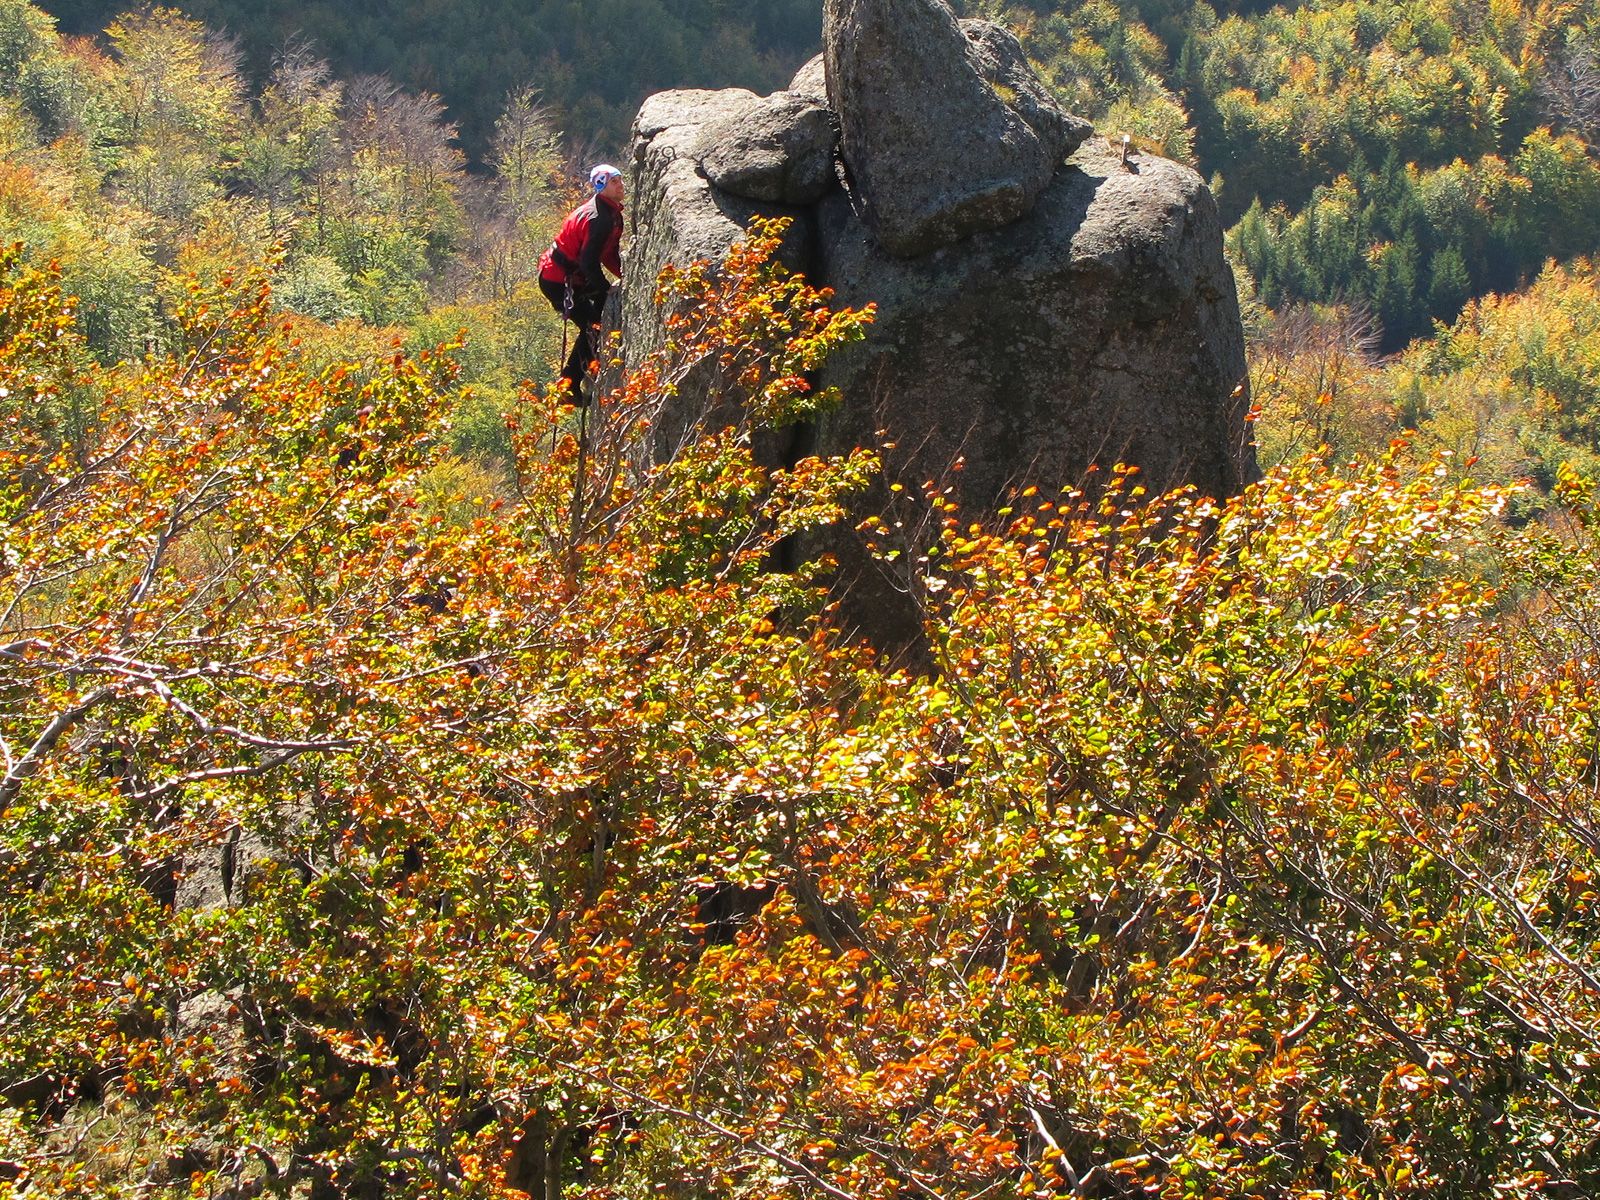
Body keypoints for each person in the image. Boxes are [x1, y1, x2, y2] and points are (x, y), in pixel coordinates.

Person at [539, 163, 625, 404]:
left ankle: (586, 369)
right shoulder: (599, 218)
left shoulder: (609, 213)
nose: (620, 185)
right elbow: (589, 263)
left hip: (571, 277)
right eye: (614, 182)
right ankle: (569, 385)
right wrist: (607, 291)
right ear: (601, 187)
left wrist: (623, 276)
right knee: (593, 326)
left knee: (597, 318)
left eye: (619, 179)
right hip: (558, 280)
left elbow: (607, 254)